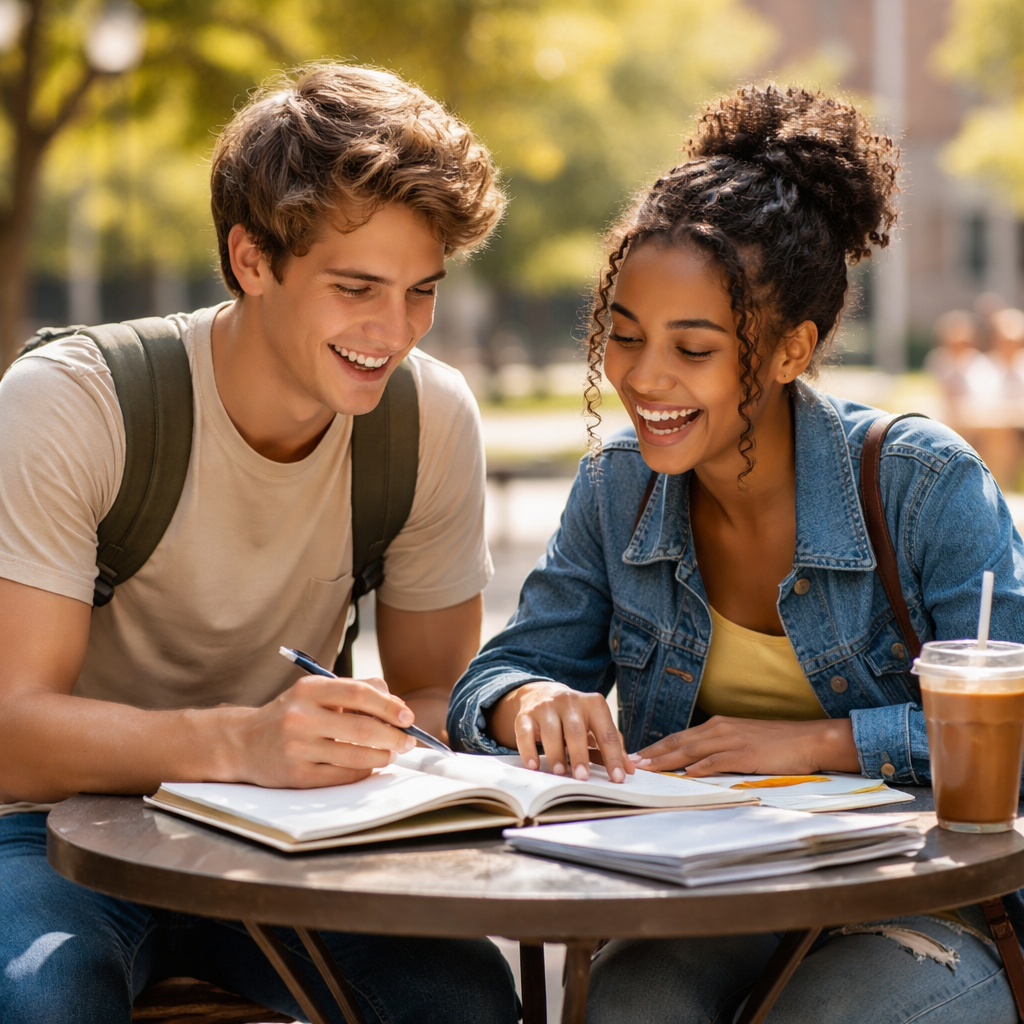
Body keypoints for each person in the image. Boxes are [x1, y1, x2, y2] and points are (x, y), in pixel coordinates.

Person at [449, 85, 1024, 1023]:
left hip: (921, 905)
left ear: (792, 347)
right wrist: (529, 699)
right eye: (624, 336)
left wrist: (818, 744)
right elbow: (494, 678)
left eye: (694, 348)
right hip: (710, 896)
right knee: (628, 1006)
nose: (643, 378)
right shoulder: (616, 488)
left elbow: (1017, 725)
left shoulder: (923, 486)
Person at [0, 64, 518, 1024]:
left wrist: (451, 734)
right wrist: (239, 742)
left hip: (297, 833)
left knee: (467, 1003)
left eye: (420, 291)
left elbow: (432, 696)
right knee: (41, 1003)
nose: (393, 330)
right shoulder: (74, 404)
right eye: (356, 286)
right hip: (53, 834)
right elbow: (10, 736)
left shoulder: (428, 419)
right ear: (251, 259)